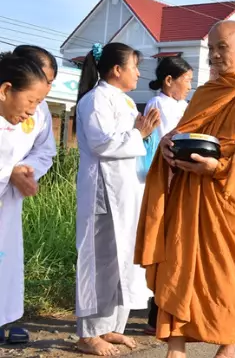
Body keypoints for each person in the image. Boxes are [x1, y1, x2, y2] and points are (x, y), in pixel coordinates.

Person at [135, 21, 235, 358]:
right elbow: (185, 132)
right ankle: (175, 348)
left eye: (223, 48)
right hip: (191, 198)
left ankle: (227, 347)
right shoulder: (206, 93)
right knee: (179, 264)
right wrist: (166, 145)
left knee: (230, 276)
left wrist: (219, 167)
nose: (215, 55)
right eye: (213, 48)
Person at [74, 42, 161, 356]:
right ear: (116, 69)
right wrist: (140, 133)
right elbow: (101, 144)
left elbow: (135, 140)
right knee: (99, 260)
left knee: (123, 259)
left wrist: (144, 135)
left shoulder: (124, 101)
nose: (139, 72)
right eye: (135, 66)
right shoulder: (96, 100)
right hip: (104, 193)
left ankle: (110, 326)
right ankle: (87, 333)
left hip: (127, 192)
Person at [0, 49, 55, 344]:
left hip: (7, 203)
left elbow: (42, 152)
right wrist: (10, 171)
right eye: (32, 101)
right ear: (6, 89)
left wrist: (23, 171)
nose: (34, 110)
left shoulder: (23, 111)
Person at [141, 56, 193, 333]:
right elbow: (162, 145)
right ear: (169, 80)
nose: (189, 86)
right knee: (163, 243)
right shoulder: (157, 104)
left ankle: (172, 305)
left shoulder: (184, 105)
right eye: (186, 81)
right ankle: (156, 311)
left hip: (183, 179)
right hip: (168, 179)